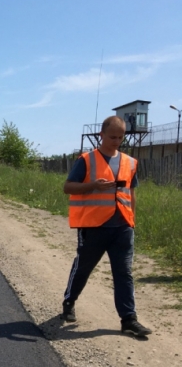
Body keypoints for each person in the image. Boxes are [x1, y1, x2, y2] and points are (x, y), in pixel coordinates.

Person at [61, 115, 152, 338]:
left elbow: (131, 193)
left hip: (122, 227)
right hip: (94, 227)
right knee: (84, 267)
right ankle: (69, 301)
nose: (116, 141)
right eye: (112, 136)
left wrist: (132, 220)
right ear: (101, 134)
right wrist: (93, 186)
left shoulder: (130, 162)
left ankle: (129, 319)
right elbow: (68, 187)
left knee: (124, 272)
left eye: (120, 137)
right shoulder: (86, 160)